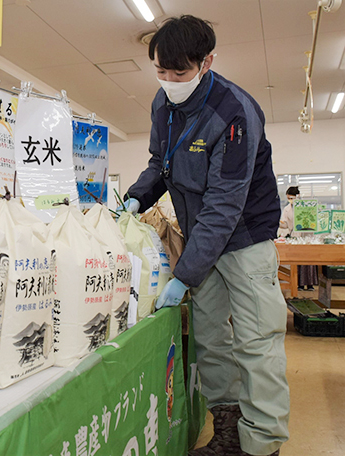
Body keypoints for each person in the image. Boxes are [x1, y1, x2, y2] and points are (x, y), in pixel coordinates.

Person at [123, 15, 289, 456]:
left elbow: (225, 204)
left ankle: (262, 446)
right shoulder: (163, 104)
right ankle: (230, 434)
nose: (169, 81)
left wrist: (184, 274)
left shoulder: (235, 111)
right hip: (201, 237)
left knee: (257, 343)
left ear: (207, 61)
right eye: (160, 71)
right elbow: (161, 161)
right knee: (213, 340)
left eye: (180, 72)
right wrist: (137, 197)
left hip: (244, 239)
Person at [278, 186, 317, 290]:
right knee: (297, 261)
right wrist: (278, 223)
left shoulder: (306, 207)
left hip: (307, 237)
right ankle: (298, 284)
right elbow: (285, 224)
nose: (290, 200)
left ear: (297, 197)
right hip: (295, 237)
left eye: (291, 198)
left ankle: (310, 284)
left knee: (308, 261)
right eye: (288, 198)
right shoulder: (287, 209)